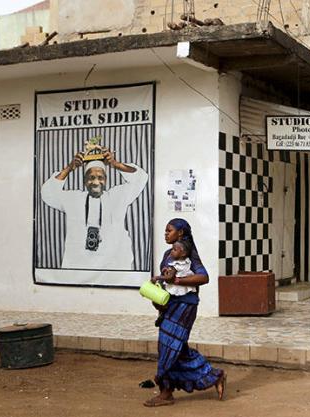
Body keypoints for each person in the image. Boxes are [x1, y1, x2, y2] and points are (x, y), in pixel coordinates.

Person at [144, 218, 226, 407]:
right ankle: (215, 376)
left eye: (169, 230)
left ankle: (166, 393)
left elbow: (204, 277)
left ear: (180, 233)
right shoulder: (167, 254)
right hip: (170, 305)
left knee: (169, 346)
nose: (166, 234)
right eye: (165, 231)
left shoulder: (190, 257)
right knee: (177, 349)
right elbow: (165, 281)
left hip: (185, 307)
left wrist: (178, 281)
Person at [40, 146, 148, 270]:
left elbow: (141, 178)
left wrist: (115, 164)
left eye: (100, 177)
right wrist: (70, 168)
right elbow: (47, 193)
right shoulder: (74, 199)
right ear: (85, 181)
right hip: (79, 266)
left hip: (113, 266)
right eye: (91, 178)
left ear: (106, 180)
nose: (96, 182)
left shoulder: (117, 196)